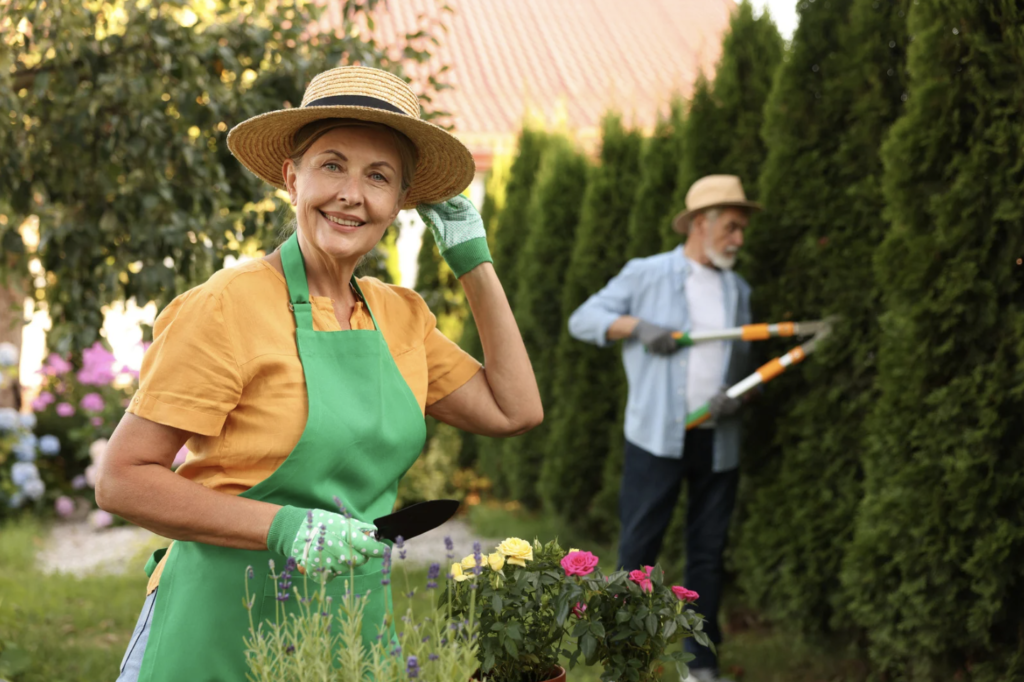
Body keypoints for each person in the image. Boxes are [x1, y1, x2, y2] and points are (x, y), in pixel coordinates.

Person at [97, 66, 543, 682]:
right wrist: (285, 527)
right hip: (219, 623)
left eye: (378, 176)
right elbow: (122, 480)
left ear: (400, 204)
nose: (352, 194)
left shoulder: (399, 316)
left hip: (347, 625)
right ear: (292, 178)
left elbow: (515, 410)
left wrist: (474, 262)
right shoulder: (226, 306)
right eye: (332, 165)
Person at [567, 174, 759, 682]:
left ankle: (702, 667)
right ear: (701, 223)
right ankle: (624, 663)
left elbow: (742, 365)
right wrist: (637, 327)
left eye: (742, 229)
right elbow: (583, 319)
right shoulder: (646, 273)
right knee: (638, 556)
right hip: (655, 438)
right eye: (733, 227)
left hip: (718, 441)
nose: (740, 239)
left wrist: (738, 396)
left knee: (708, 558)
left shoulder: (738, 290)